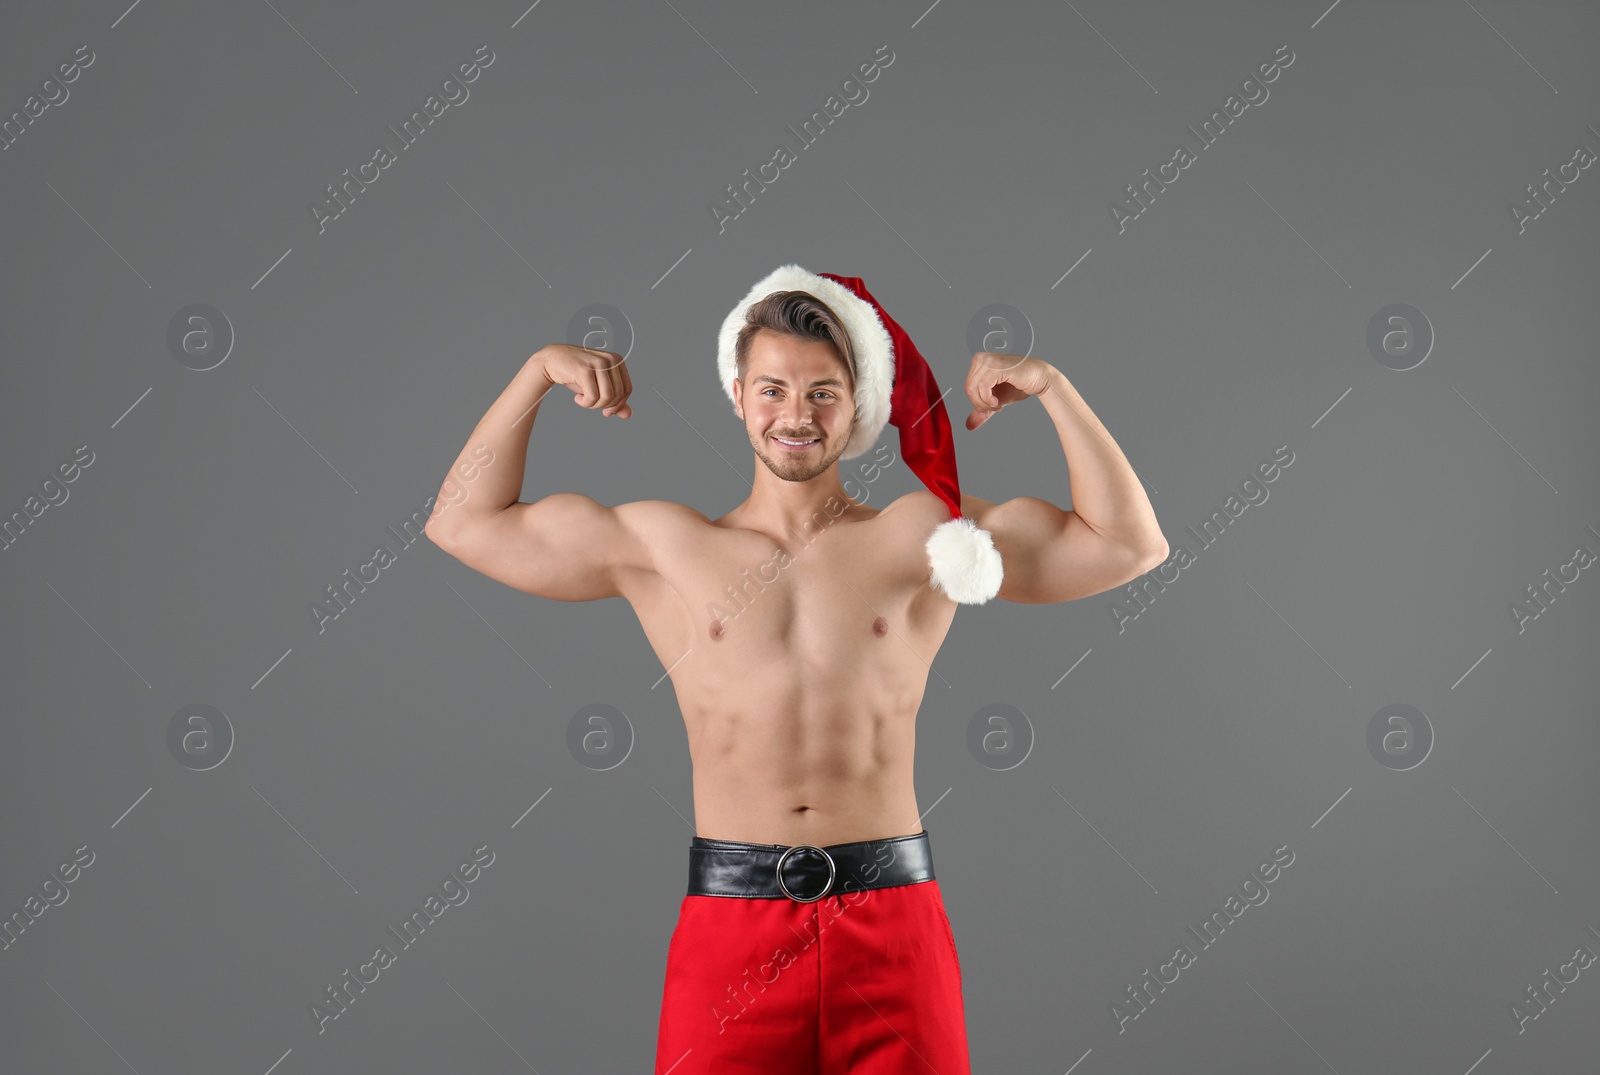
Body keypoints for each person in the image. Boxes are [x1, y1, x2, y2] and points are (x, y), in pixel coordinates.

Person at [425, 265, 1167, 1073]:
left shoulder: (921, 535)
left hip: (893, 926)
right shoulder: (668, 548)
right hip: (731, 929)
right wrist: (536, 372)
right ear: (738, 394)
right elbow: (463, 522)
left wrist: (1052, 387)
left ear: (857, 406)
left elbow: (1129, 545)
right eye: (773, 389)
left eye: (822, 392)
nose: (795, 415)